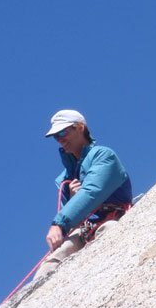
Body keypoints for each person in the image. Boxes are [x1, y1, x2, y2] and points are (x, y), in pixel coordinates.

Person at [36, 109, 132, 278]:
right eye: (56, 137)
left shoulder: (103, 155)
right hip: (81, 230)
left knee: (110, 232)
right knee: (50, 264)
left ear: (80, 127)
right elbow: (69, 211)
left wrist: (59, 223)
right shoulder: (64, 178)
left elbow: (93, 191)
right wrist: (70, 205)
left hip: (111, 217)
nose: (60, 139)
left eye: (63, 132)